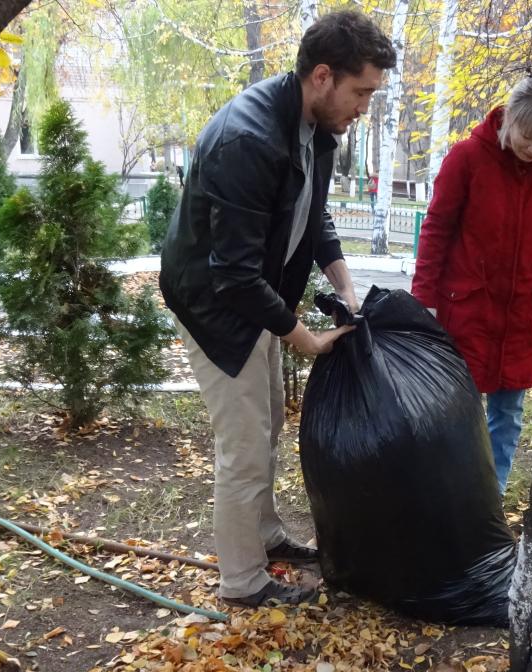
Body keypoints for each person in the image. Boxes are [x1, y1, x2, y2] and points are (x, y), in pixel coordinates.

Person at [158, 11, 396, 608]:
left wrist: (345, 285)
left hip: (253, 296)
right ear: (323, 76)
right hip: (215, 305)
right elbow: (232, 274)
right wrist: (302, 338)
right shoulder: (251, 140)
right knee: (242, 443)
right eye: (361, 90)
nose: (364, 106)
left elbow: (314, 216)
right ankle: (242, 581)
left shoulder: (316, 130)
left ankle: (264, 536)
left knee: (265, 423)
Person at [411, 63, 532, 494]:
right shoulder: (467, 157)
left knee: (508, 415)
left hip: (522, 312)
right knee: (454, 412)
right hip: (465, 308)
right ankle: (447, 498)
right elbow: (436, 229)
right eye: (528, 139)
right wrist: (424, 298)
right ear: (509, 118)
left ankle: (490, 500)